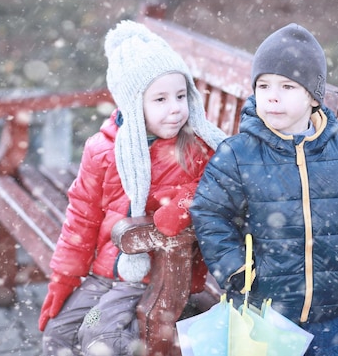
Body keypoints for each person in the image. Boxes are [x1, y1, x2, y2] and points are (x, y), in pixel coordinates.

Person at [190, 23, 338, 356]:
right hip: (264, 311)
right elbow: (210, 211)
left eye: (287, 86)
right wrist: (237, 268)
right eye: (263, 85)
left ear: (314, 96)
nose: (273, 96)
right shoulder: (239, 154)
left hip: (332, 313)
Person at [40, 20, 226, 356]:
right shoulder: (102, 149)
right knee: (60, 334)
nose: (175, 107)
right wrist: (64, 277)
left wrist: (184, 203)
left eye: (181, 95)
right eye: (160, 99)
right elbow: (81, 215)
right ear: (132, 104)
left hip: (155, 278)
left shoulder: (195, 148)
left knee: (101, 339)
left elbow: (224, 182)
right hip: (104, 281)